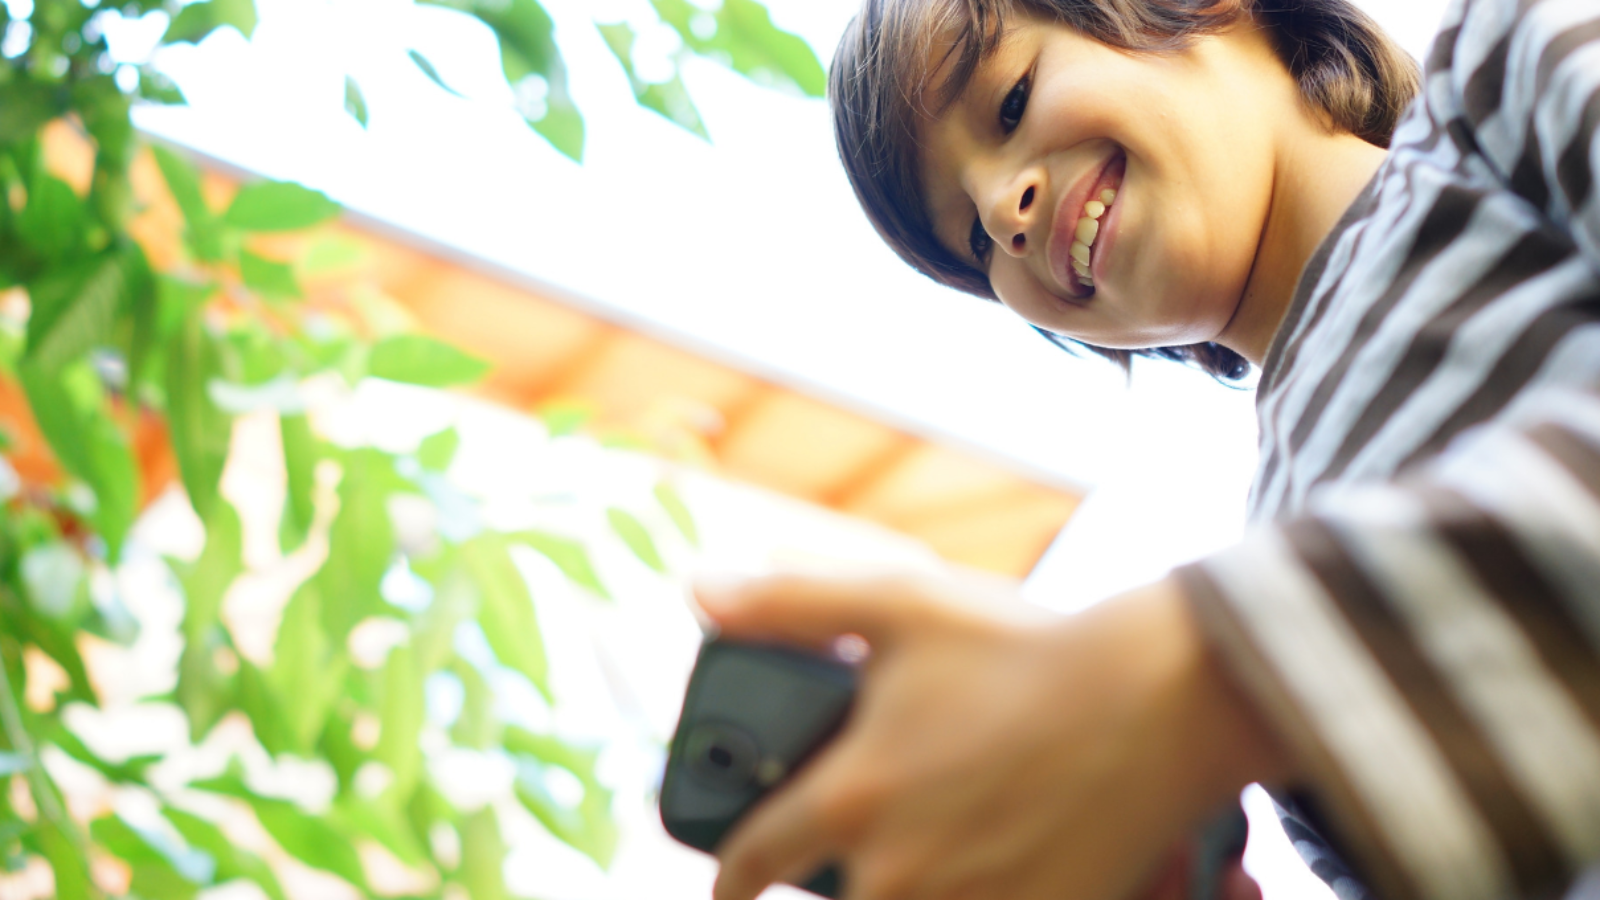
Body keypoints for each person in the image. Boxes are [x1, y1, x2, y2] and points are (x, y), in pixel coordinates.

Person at [693, 0, 1600, 897]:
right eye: (974, 242)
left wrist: (1211, 670)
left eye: (1010, 103)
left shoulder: (1506, 64)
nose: (1004, 213)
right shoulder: (1272, 548)